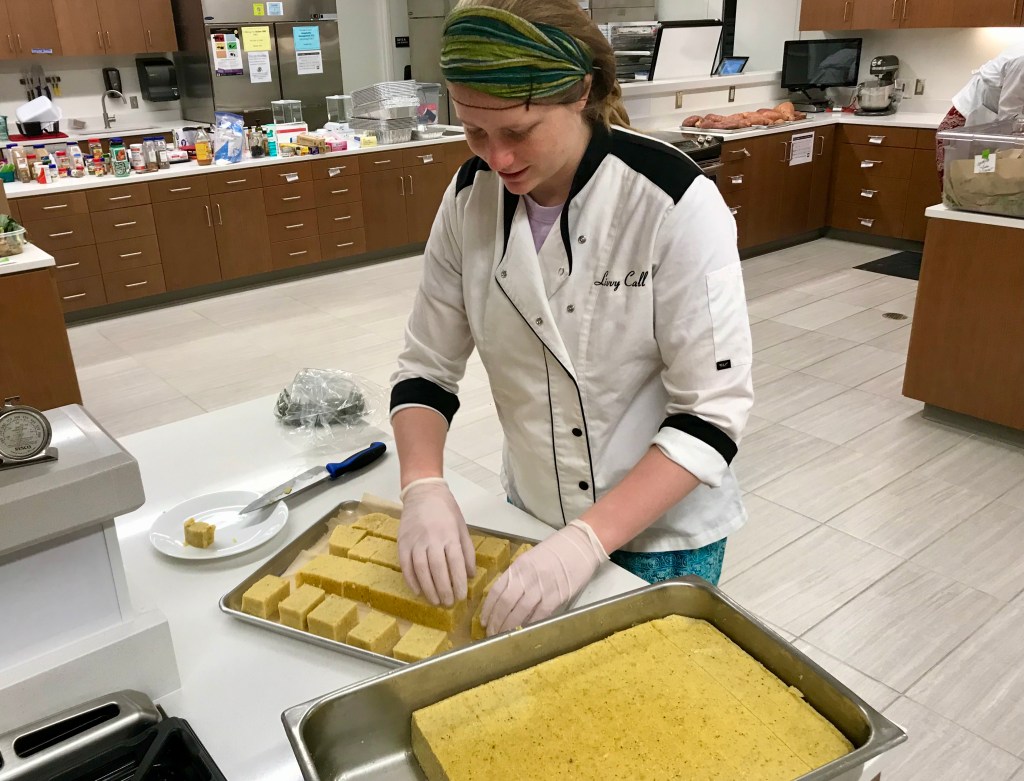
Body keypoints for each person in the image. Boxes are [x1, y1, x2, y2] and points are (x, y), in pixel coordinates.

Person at [390, 0, 753, 638]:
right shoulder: (470, 199)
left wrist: (587, 542)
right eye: (475, 131)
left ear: (581, 91)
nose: (496, 160)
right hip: (531, 508)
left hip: (656, 530)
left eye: (519, 131)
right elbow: (426, 367)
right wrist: (422, 485)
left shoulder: (671, 201)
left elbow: (712, 413)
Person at [938, 42, 1024, 180]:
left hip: (993, 133)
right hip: (966, 127)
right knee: (966, 190)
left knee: (990, 189)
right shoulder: (1021, 61)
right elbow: (1010, 118)